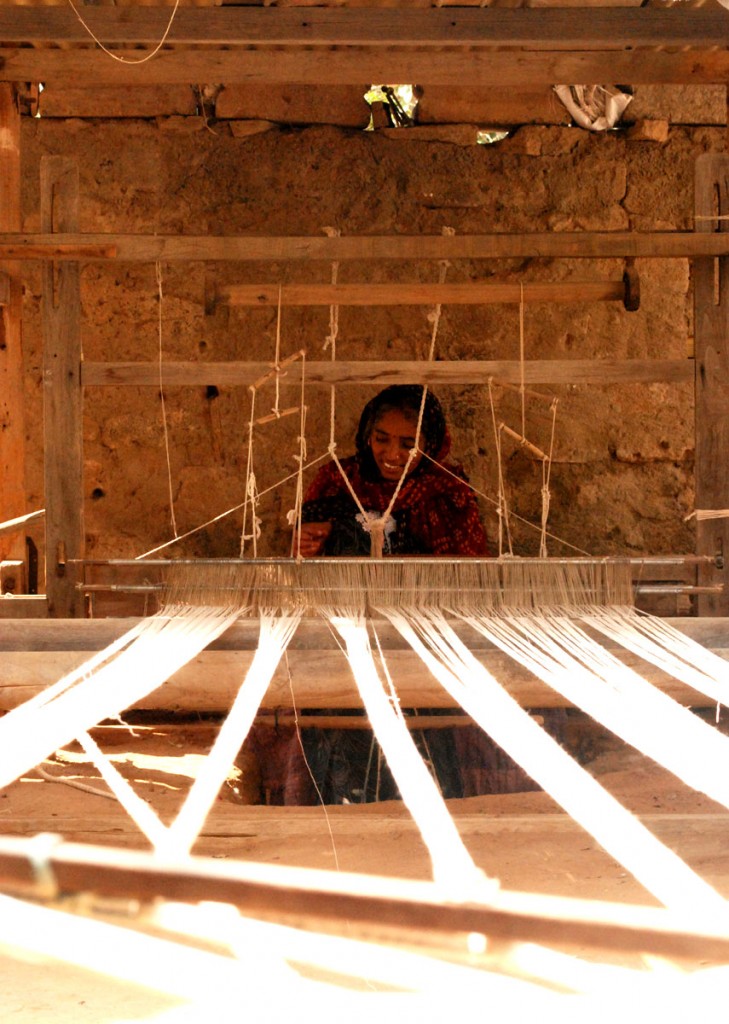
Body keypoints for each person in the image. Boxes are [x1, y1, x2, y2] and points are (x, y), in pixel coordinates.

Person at [297, 384, 488, 559]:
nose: (392, 455)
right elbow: (302, 562)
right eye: (381, 439)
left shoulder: (448, 494)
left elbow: (468, 572)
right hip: (345, 595)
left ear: (429, 446)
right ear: (368, 436)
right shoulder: (337, 480)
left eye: (407, 445)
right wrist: (310, 541)